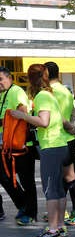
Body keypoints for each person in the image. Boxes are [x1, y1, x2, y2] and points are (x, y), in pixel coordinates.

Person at [8, 64, 75, 237]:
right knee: (58, 189)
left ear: (31, 79)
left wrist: (22, 116)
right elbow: (63, 120)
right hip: (61, 145)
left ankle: (52, 229)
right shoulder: (50, 95)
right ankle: (59, 226)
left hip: (51, 148)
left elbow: (44, 121)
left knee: (51, 189)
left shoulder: (42, 96)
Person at [44, 62, 75, 227]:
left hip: (60, 139)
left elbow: (59, 117)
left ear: (45, 74)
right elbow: (72, 114)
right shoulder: (65, 90)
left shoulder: (54, 92)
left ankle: (70, 212)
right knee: (68, 176)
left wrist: (73, 131)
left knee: (65, 177)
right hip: (66, 139)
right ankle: (70, 211)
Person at [0, 66, 37, 224]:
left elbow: (23, 113)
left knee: (26, 180)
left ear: (9, 78)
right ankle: (23, 205)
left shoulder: (16, 92)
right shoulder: (3, 94)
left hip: (21, 144)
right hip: (6, 145)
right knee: (4, 176)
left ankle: (30, 213)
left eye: (1, 79)